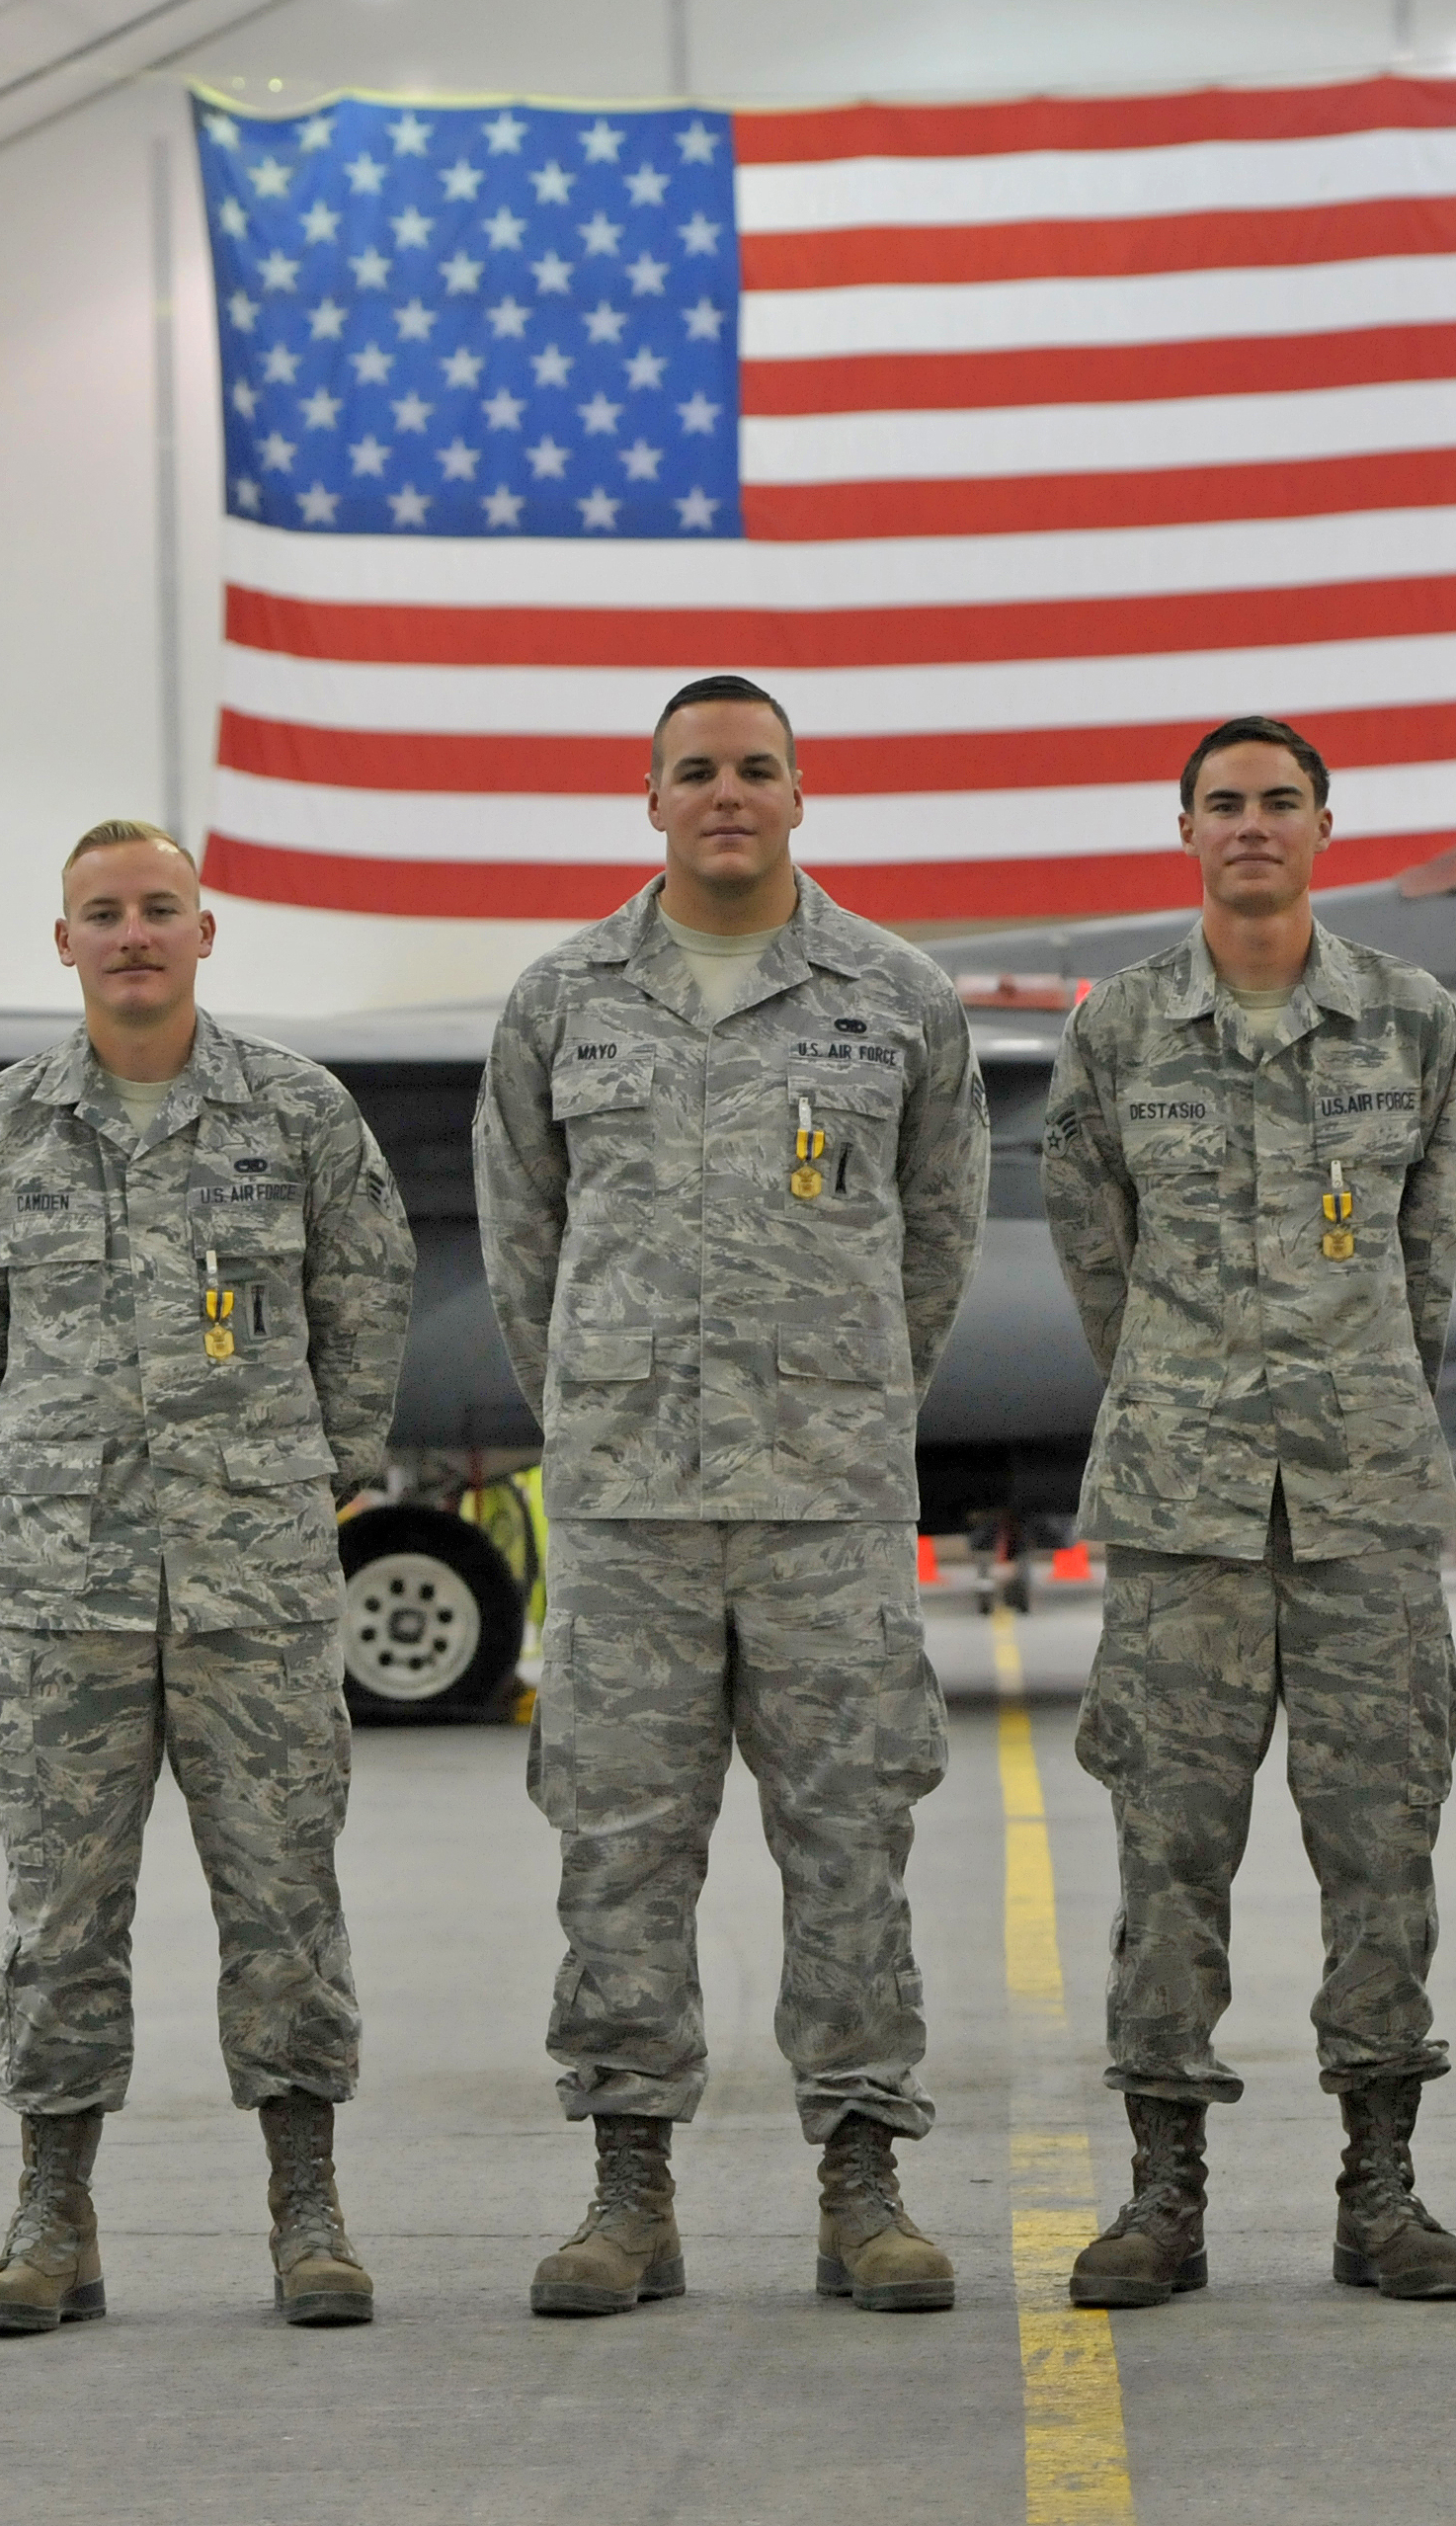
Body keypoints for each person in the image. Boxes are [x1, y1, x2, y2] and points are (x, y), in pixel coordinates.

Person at [470, 674, 990, 2318]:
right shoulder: (562, 1001)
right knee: (618, 1849)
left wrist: (841, 1402)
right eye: (695, 771)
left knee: (851, 1845)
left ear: (798, 792)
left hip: (825, 1501)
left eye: (755, 769)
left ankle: (863, 2187)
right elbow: (521, 1253)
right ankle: (630, 2196)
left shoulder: (894, 997)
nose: (727, 795)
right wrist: (609, 1406)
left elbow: (938, 1237)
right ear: (651, 800)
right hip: (627, 1507)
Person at [0, 818, 416, 2336]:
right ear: (62, 944)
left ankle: (308, 2215)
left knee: (284, 1904)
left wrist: (327, 1466)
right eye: (103, 915)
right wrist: (22, 1489)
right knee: (58, 1912)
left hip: (255, 1579)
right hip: (68, 1592)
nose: (134, 935)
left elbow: (367, 1290)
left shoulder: (298, 1115)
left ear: (208, 931)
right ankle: (51, 2218)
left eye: (159, 910)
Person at [1038, 714, 1456, 2310]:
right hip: (1183, 1517)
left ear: (1322, 825)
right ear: (1183, 830)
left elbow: (1423, 1266)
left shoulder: (1411, 1024)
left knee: (1384, 1854)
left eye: (1277, 803)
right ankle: (1164, 2197)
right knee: (1169, 1857)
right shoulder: (1119, 1031)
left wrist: (1344, 1393)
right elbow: (1098, 1256)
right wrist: (1187, 1393)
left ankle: (1384, 2192)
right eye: (1221, 805)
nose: (1250, 827)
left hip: (1362, 1508)